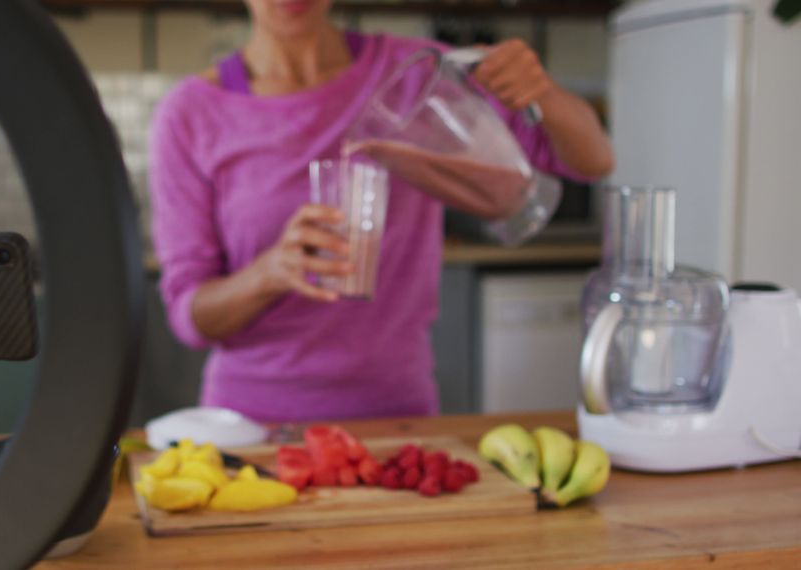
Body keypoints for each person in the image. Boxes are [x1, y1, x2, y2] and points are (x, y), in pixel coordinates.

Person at [148, 0, 614, 423]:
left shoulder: (412, 72)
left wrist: (543, 92)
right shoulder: (190, 114)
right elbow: (190, 317)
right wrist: (271, 271)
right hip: (250, 423)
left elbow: (592, 161)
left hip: (396, 412)